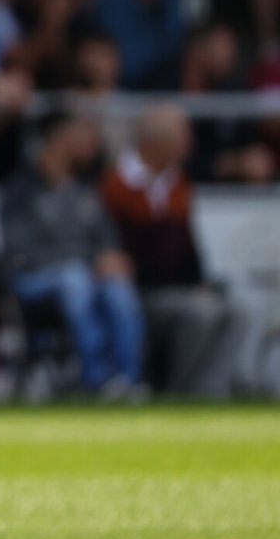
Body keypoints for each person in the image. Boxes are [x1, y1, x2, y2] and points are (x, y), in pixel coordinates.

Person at [0, 111, 146, 397]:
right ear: (60, 138)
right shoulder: (20, 190)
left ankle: (129, 380)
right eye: (83, 131)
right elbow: (18, 250)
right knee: (73, 278)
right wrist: (84, 261)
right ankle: (97, 378)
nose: (92, 140)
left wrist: (110, 257)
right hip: (32, 279)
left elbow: (106, 237)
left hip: (84, 275)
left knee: (118, 288)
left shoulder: (86, 190)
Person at [101, 105, 243, 396]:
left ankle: (209, 391)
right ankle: (179, 391)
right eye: (182, 135)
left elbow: (187, 245)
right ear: (155, 142)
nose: (189, 143)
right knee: (200, 314)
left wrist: (199, 280)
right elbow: (116, 251)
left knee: (237, 313)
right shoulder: (116, 185)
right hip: (139, 291)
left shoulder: (178, 184)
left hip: (178, 290)